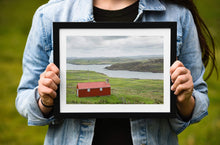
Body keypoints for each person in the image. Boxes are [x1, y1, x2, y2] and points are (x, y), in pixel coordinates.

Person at [16, 0, 217, 145]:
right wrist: (45, 101)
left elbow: (199, 99)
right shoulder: (50, 14)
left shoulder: (178, 14)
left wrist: (184, 100)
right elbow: (24, 96)